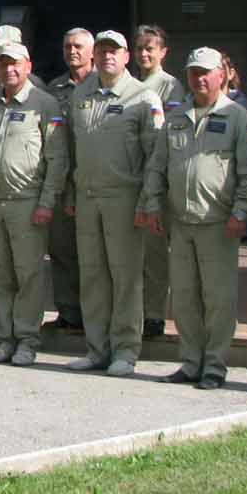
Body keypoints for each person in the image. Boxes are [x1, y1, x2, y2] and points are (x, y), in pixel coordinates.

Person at [142, 47, 247, 389]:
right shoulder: (177, 118)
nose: (199, 78)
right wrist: (152, 205)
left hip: (218, 223)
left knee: (218, 299)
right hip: (181, 222)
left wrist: (241, 212)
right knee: (184, 297)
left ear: (222, 75)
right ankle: (191, 361)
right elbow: (158, 166)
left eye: (206, 72)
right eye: (193, 72)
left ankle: (214, 365)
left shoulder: (240, 119)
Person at [62, 31, 165, 378]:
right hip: (88, 197)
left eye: (114, 51)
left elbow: (155, 155)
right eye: (103, 50)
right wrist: (72, 193)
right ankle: (97, 348)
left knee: (124, 277)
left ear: (125, 57)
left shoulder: (142, 97)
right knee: (92, 275)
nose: (108, 56)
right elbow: (74, 150)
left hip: (124, 197)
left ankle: (125, 350)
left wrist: (149, 200)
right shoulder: (81, 94)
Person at [0, 42, 68, 367]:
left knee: (28, 275)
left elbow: (57, 158)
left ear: (28, 65)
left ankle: (26, 340)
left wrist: (47, 202)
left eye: (14, 64)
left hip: (27, 202)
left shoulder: (45, 104)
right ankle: (5, 338)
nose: (8, 70)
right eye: (2, 64)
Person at [131, 24, 183, 339]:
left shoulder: (169, 87)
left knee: (155, 256)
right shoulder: (130, 85)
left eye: (150, 48)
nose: (144, 54)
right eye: (139, 49)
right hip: (129, 177)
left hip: (156, 178)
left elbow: (167, 134)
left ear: (163, 52)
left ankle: (154, 315)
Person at [43, 27, 95, 334]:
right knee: (61, 249)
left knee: (92, 254)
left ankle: (94, 313)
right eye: (67, 47)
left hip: (91, 179)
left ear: (91, 53)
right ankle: (68, 310)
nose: (72, 51)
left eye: (78, 47)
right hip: (62, 180)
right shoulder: (55, 89)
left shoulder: (100, 85)